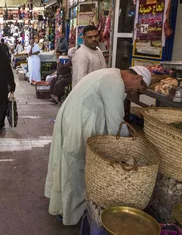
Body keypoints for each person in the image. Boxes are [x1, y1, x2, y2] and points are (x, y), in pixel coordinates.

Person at [44, 66, 151, 225]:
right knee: (75, 166)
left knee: (69, 162)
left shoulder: (110, 74)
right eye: (137, 88)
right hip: (78, 121)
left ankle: (63, 206)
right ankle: (70, 213)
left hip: (75, 116)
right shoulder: (114, 81)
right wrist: (127, 150)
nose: (132, 91)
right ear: (138, 78)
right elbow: (116, 122)